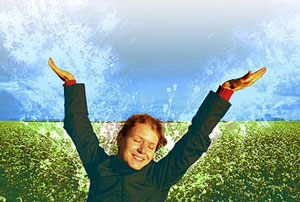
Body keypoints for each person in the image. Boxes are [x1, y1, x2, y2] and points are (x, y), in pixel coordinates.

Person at [48, 57, 266, 202]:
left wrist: (225, 91)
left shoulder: (160, 177)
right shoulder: (100, 165)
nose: (143, 150)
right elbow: (78, 126)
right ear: (121, 139)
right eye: (137, 140)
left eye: (151, 146)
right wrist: (70, 84)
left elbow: (194, 138)